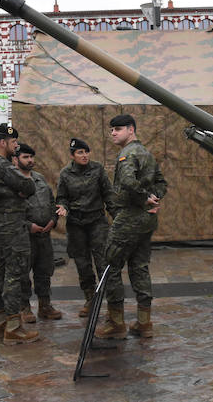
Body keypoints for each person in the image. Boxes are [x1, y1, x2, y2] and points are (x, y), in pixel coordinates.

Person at [96, 114, 167, 340]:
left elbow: (127, 182)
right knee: (140, 266)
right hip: (146, 222)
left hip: (128, 219)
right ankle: (144, 322)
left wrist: (145, 198)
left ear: (131, 130)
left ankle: (116, 323)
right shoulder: (147, 153)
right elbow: (162, 183)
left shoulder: (127, 154)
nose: (113, 133)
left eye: (118, 129)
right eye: (112, 130)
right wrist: (154, 198)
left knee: (110, 266)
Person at [0, 123, 39, 345]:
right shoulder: (3, 166)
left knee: (0, 270)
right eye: (14, 142)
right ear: (3, 143)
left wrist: (15, 190)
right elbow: (29, 186)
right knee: (15, 273)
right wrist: (19, 190)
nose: (16, 145)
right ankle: (14, 326)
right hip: (12, 225)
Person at [56, 137, 113, 317]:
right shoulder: (65, 174)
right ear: (72, 155)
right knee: (82, 264)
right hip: (76, 225)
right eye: (80, 152)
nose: (84, 155)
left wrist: (116, 215)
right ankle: (90, 299)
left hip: (97, 222)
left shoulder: (97, 169)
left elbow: (108, 194)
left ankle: (111, 302)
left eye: (86, 151)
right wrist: (63, 207)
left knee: (103, 261)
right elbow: (61, 197)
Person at [15, 143, 63, 322]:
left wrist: (53, 219)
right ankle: (24, 308)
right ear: (16, 159)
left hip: (44, 234)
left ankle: (45, 306)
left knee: (44, 271)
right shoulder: (13, 180)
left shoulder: (40, 179)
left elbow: (51, 201)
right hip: (24, 236)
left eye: (31, 157)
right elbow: (10, 210)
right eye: (25, 157)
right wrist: (28, 226)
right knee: (22, 273)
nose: (30, 161)